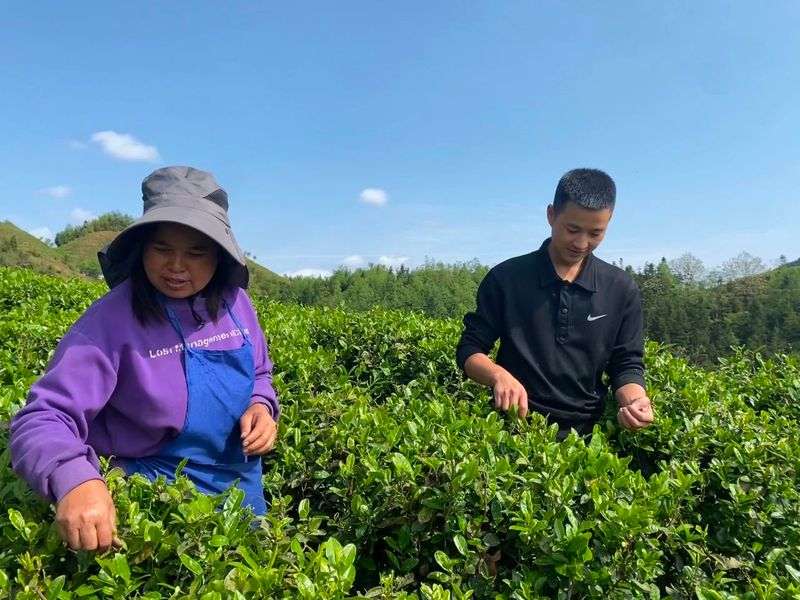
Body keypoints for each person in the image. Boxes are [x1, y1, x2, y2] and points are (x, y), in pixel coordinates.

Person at [10, 166, 279, 551]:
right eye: (162, 249)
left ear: (219, 256)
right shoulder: (109, 321)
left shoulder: (238, 306)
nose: (176, 266)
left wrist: (261, 405)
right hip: (152, 495)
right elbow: (42, 417)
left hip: (241, 489)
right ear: (142, 248)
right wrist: (74, 478)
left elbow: (259, 373)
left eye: (196, 253)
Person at [456, 168, 653, 440]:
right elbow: (470, 349)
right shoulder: (507, 279)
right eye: (572, 229)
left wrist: (634, 401)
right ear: (551, 215)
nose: (582, 243)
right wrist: (498, 375)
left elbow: (627, 364)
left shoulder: (620, 288)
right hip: (514, 432)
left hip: (589, 437)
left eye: (596, 233)